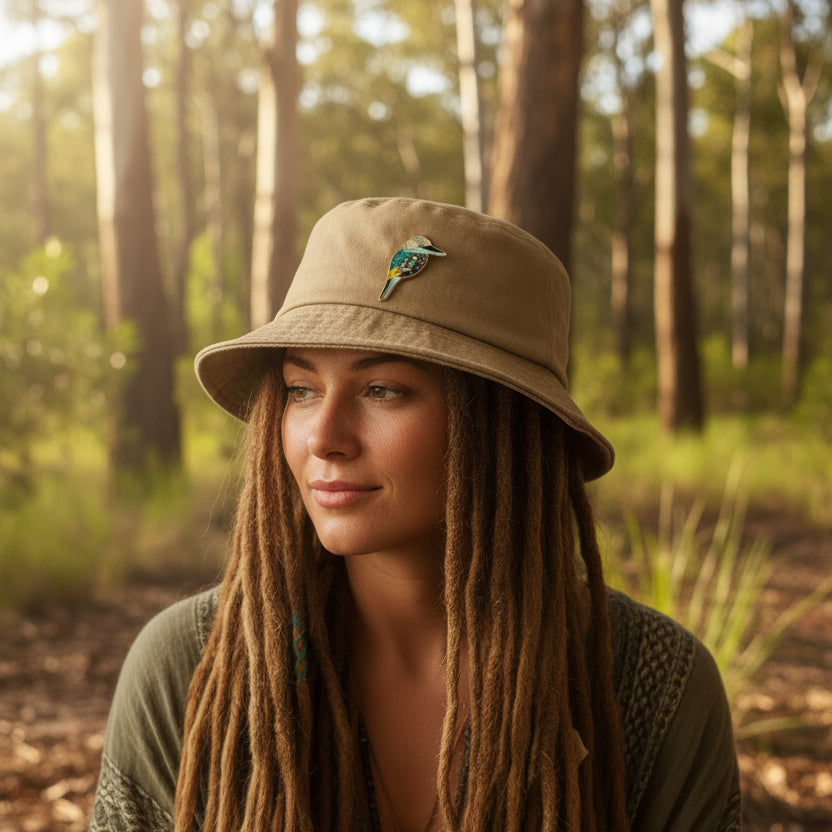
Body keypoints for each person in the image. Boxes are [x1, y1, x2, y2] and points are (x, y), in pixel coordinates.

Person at [88, 198, 741, 832]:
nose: (324, 436)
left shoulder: (654, 688)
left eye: (382, 389)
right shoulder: (195, 668)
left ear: (502, 424)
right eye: (301, 389)